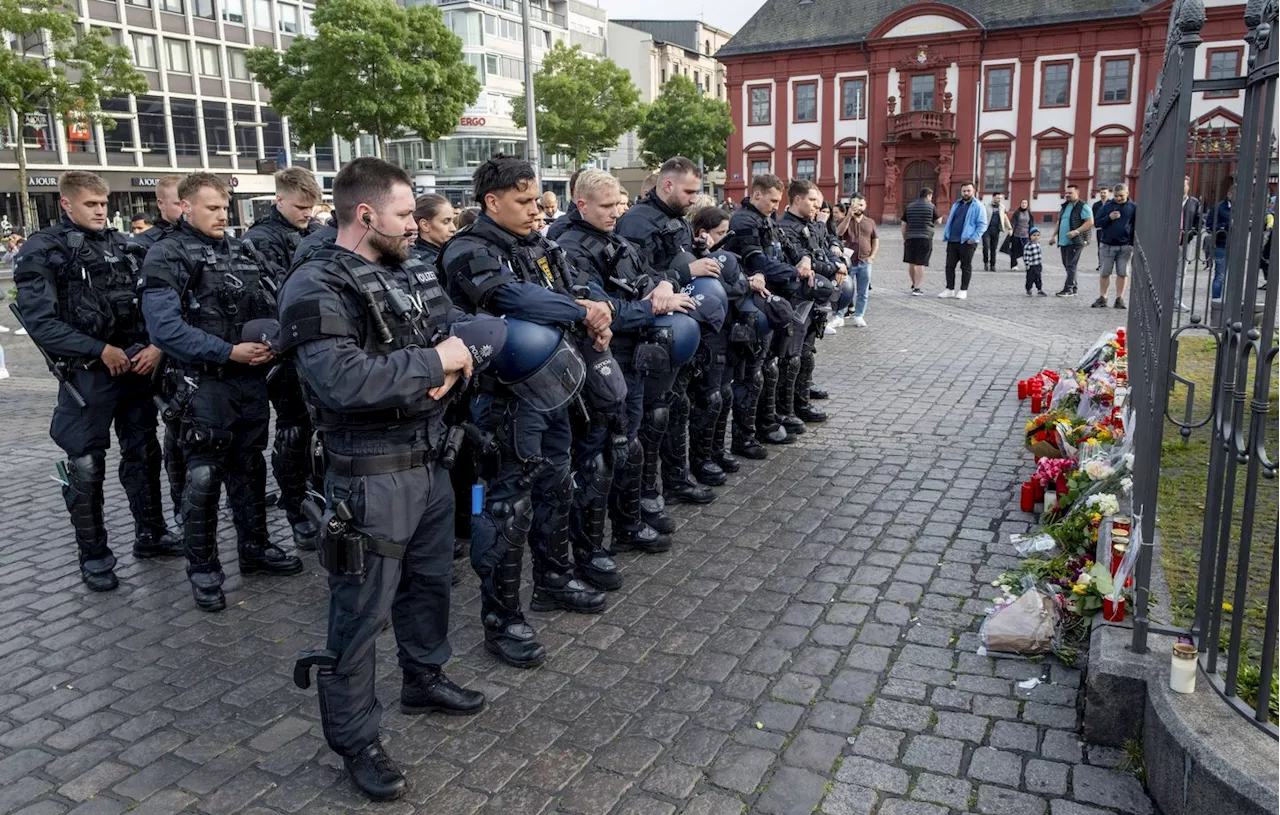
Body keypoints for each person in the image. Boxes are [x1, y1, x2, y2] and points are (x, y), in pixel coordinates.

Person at [279, 157, 489, 802]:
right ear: (365, 215)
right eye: (404, 216)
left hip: (430, 461)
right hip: (369, 477)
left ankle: (424, 677)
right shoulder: (316, 284)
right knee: (362, 609)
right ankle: (355, 738)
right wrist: (435, 362)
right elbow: (339, 380)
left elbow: (451, 333)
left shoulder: (402, 269)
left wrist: (449, 365)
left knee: (429, 584)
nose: (414, 227)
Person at [441, 154, 614, 668]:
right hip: (500, 397)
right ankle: (502, 620)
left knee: (557, 484)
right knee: (504, 506)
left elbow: (570, 287)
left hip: (551, 385)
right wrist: (578, 312)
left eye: (536, 198)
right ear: (491, 201)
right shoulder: (467, 250)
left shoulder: (537, 244)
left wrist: (595, 311)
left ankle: (554, 578)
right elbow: (508, 297)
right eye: (522, 201)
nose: (534, 208)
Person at [13, 170, 183, 591]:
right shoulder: (44, 250)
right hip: (87, 376)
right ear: (66, 204)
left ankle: (151, 533)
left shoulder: (123, 247)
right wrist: (97, 350)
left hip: (135, 370)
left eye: (104, 204)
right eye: (91, 204)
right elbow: (41, 322)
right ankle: (94, 555)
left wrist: (154, 346)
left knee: (143, 455)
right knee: (86, 466)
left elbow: (154, 304)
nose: (100, 211)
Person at [141, 172, 303, 612]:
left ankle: (254, 549)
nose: (222, 214)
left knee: (249, 467)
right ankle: (204, 567)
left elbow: (271, 303)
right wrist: (227, 351)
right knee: (204, 476)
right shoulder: (165, 254)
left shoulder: (240, 249)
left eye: (224, 206)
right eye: (213, 207)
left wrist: (274, 341)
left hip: (248, 380)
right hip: (200, 383)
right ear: (186, 206)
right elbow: (164, 327)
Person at [557, 170, 693, 570]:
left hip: (632, 360)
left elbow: (644, 276)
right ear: (581, 205)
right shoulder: (572, 249)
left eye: (619, 203)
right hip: (603, 362)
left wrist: (663, 287)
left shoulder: (613, 239)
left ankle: (628, 523)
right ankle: (590, 549)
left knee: (627, 446)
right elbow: (603, 313)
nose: (617, 212)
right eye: (606, 206)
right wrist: (653, 306)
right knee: (596, 458)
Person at [616, 157, 723, 528]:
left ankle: (675, 481)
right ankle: (646, 497)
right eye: (689, 191)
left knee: (675, 409)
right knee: (651, 418)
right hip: (649, 334)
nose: (695, 199)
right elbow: (631, 279)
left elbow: (676, 261)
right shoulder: (635, 222)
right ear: (666, 186)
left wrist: (698, 251)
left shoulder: (677, 218)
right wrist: (684, 270)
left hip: (679, 329)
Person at [243, 167, 324, 549]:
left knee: (317, 431)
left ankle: (316, 499)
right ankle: (296, 509)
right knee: (293, 431)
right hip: (283, 348)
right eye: (301, 206)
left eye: (312, 207)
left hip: (316, 342)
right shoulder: (259, 240)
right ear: (279, 199)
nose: (308, 213)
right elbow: (278, 291)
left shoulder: (313, 234)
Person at [724, 174, 805, 447]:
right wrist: (795, 272)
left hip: (768, 299)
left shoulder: (765, 218)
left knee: (768, 367)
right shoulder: (744, 220)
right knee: (751, 373)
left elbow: (785, 249)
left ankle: (765, 423)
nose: (775, 206)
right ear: (757, 194)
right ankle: (745, 435)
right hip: (748, 304)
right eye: (772, 200)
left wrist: (803, 259)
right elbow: (758, 260)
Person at [130, 175, 189, 526]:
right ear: (161, 205)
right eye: (176, 202)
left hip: (194, 353)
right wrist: (154, 345)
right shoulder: (142, 246)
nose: (183, 209)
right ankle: (176, 512)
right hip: (160, 356)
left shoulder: (206, 241)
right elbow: (138, 307)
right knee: (173, 437)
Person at [778, 183, 841, 412]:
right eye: (813, 200)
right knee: (792, 355)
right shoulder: (784, 227)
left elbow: (821, 252)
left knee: (806, 351)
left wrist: (833, 263)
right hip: (796, 297)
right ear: (797, 200)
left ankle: (802, 398)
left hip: (814, 297)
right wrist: (833, 267)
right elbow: (800, 261)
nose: (818, 206)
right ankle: (790, 408)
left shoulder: (810, 226)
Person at [939, 181, 987, 300]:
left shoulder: (978, 206)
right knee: (949, 266)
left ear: (974, 191)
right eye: (964, 191)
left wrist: (974, 238)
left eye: (968, 191)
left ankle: (963, 290)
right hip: (953, 240)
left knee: (965, 266)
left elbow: (982, 225)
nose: (966, 193)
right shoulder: (957, 204)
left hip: (967, 241)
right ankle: (949, 289)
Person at [1092, 183, 1136, 310]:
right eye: (1116, 196)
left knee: (1122, 273)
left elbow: (1137, 225)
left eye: (1121, 196)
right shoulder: (1107, 206)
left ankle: (1119, 298)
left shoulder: (1133, 207)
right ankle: (1103, 297)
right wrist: (1109, 218)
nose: (1118, 198)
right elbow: (1097, 223)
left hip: (1125, 246)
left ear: (1127, 194)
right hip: (1107, 245)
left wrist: (1132, 242)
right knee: (1105, 272)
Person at [836, 193, 877, 326]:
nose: (858, 207)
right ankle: (839, 316)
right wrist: (848, 216)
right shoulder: (846, 220)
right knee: (844, 289)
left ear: (865, 206)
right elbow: (840, 233)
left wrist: (872, 256)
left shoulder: (870, 222)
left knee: (863, 292)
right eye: (856, 204)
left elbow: (875, 240)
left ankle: (859, 315)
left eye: (861, 204)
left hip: (865, 262)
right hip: (849, 262)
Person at [1050, 184, 1094, 297]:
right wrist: (1053, 236)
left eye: (1070, 193)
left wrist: (1076, 231)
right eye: (1066, 193)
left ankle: (1068, 288)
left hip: (1076, 241)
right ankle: (1074, 287)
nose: (1067, 195)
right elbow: (1059, 222)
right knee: (1067, 264)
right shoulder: (1065, 206)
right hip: (1064, 241)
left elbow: (1090, 222)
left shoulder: (1083, 206)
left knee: (1071, 265)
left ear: (1077, 193)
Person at [901, 187, 941, 295]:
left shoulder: (909, 206)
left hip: (910, 238)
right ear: (928, 195)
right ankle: (917, 288)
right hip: (925, 238)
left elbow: (903, 224)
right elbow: (939, 221)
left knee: (911, 262)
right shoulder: (931, 206)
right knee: (920, 263)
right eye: (931, 197)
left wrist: (905, 237)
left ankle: (914, 284)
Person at [410, 193, 456, 268]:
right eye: (446, 222)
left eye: (453, 221)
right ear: (425, 225)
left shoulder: (447, 253)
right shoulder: (422, 263)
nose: (453, 228)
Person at [1206, 184, 1233, 300]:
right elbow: (1209, 225)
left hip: (1237, 245)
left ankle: (1232, 303)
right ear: (1229, 194)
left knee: (1235, 276)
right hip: (1222, 244)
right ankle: (1216, 301)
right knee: (1220, 276)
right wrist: (1225, 226)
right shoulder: (1218, 207)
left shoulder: (1243, 208)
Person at [981, 193, 1011, 271]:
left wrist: (1009, 228)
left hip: (996, 230)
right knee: (986, 247)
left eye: (1000, 198)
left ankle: (992, 265)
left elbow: (1005, 217)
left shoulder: (1002, 207)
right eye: (998, 198)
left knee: (993, 249)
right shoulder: (986, 206)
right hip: (986, 230)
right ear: (993, 197)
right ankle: (985, 262)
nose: (999, 200)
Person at [1092, 186, 1112, 273]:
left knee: (1110, 247)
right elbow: (1094, 217)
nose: (1103, 194)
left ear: (1108, 193)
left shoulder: (1112, 204)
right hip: (1100, 229)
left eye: (1105, 192)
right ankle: (1101, 264)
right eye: (1101, 193)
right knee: (1100, 247)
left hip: (1110, 229)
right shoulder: (1096, 205)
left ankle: (1109, 265)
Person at [1008, 199, 1032, 270]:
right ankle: (1014, 265)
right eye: (1022, 203)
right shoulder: (1017, 213)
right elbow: (1013, 222)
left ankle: (1027, 264)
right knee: (1014, 250)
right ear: (1020, 204)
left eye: (1025, 203)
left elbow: (1031, 223)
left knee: (1026, 250)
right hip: (1016, 234)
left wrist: (1032, 233)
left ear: (1027, 204)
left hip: (1026, 235)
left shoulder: (1029, 213)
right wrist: (1011, 229)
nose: (1024, 204)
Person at [1023, 227, 1046, 296]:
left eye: (1038, 235)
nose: (1036, 237)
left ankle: (1039, 289)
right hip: (1031, 265)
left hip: (1038, 264)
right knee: (1030, 278)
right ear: (1030, 236)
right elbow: (1026, 256)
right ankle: (1028, 289)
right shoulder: (1028, 246)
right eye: (1034, 235)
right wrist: (1027, 264)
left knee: (1038, 277)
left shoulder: (1038, 244)